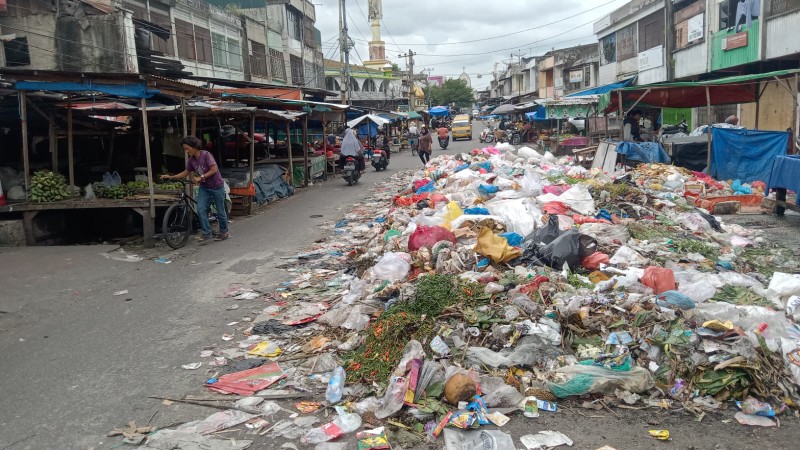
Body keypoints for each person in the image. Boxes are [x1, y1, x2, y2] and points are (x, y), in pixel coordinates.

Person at [161, 136, 229, 242]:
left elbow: (214, 169)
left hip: (217, 186)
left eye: (187, 148)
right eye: (185, 149)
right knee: (201, 209)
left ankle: (224, 232)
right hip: (205, 187)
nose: (186, 151)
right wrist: (171, 177)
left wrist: (201, 177)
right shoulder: (192, 160)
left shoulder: (206, 155)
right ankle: (206, 233)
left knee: (220, 211)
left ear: (194, 147)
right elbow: (186, 172)